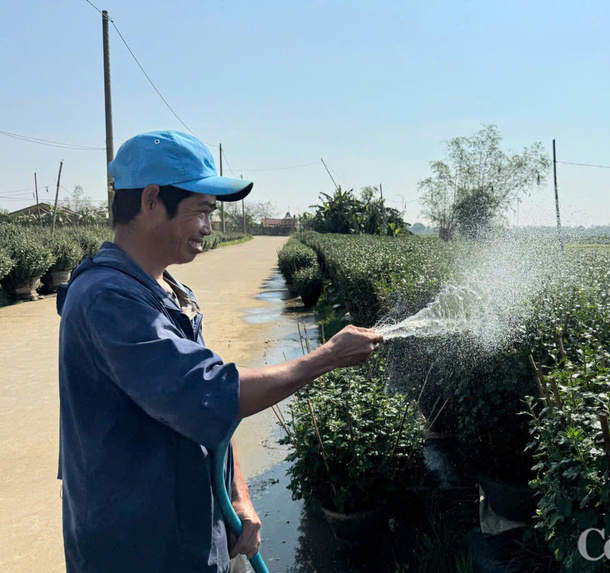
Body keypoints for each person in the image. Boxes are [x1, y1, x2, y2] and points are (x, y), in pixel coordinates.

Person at [56, 130, 383, 572]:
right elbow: (208, 394)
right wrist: (326, 356)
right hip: (140, 550)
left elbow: (207, 420)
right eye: (202, 212)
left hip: (193, 534)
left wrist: (237, 495)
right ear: (151, 200)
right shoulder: (108, 300)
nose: (209, 228)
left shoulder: (168, 291)